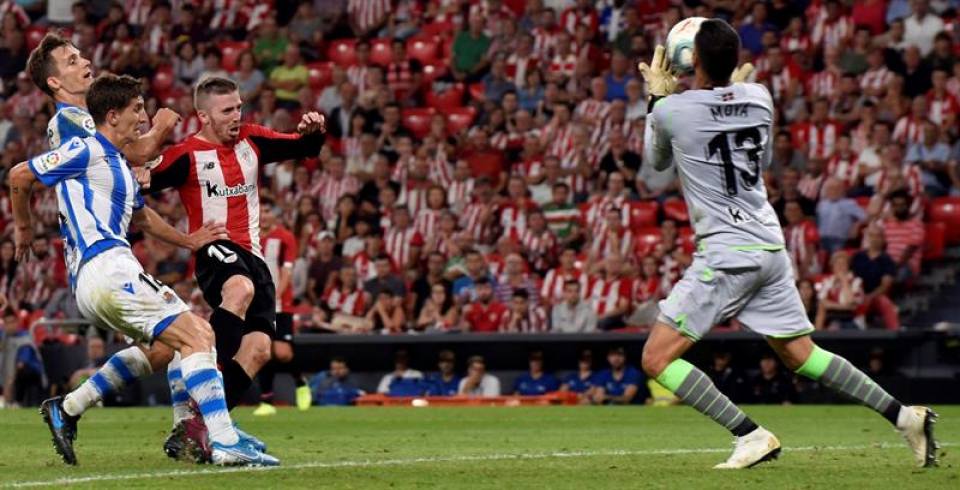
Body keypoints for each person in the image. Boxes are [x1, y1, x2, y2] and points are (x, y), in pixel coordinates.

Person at [638, 19, 937, 469]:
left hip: (727, 252)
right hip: (769, 246)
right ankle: (904, 417)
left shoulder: (672, 110)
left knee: (656, 358)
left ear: (689, 59)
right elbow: (761, 161)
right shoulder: (760, 97)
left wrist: (656, 100)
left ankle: (750, 434)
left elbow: (656, 162)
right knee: (802, 355)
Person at [8, 74, 277, 466]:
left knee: (170, 345)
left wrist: (188, 241)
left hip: (101, 276)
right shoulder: (86, 149)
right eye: (136, 109)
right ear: (112, 116)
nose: (143, 117)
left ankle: (70, 408)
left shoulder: (117, 165)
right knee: (199, 335)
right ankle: (221, 439)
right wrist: (24, 227)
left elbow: (144, 218)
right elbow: (20, 175)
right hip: (106, 265)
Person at [148, 77, 326, 445]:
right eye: (227, 110)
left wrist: (314, 132)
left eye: (239, 107)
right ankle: (201, 362)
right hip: (216, 249)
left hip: (254, 257)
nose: (236, 115)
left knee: (259, 350)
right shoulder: (186, 155)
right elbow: (138, 183)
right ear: (204, 116)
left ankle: (200, 427)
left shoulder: (252, 139)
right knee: (239, 288)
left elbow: (303, 147)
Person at [253, 198, 311, 416]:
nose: (264, 215)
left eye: (267, 210)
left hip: (280, 303)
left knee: (283, 353)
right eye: (260, 210)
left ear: (274, 214)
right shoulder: (250, 236)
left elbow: (287, 270)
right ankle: (266, 401)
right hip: (257, 303)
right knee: (263, 350)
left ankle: (300, 382)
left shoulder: (285, 237)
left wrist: (276, 294)